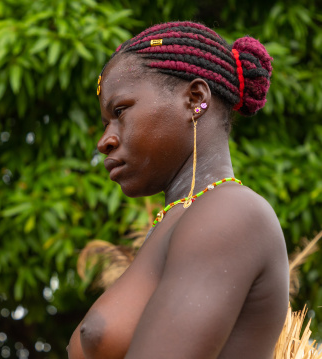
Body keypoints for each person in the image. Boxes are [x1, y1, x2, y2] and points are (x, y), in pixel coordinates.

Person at [67, 21, 289, 359]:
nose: (105, 141)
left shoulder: (230, 214)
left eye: (120, 111)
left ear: (195, 99)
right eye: (105, 123)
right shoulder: (184, 218)